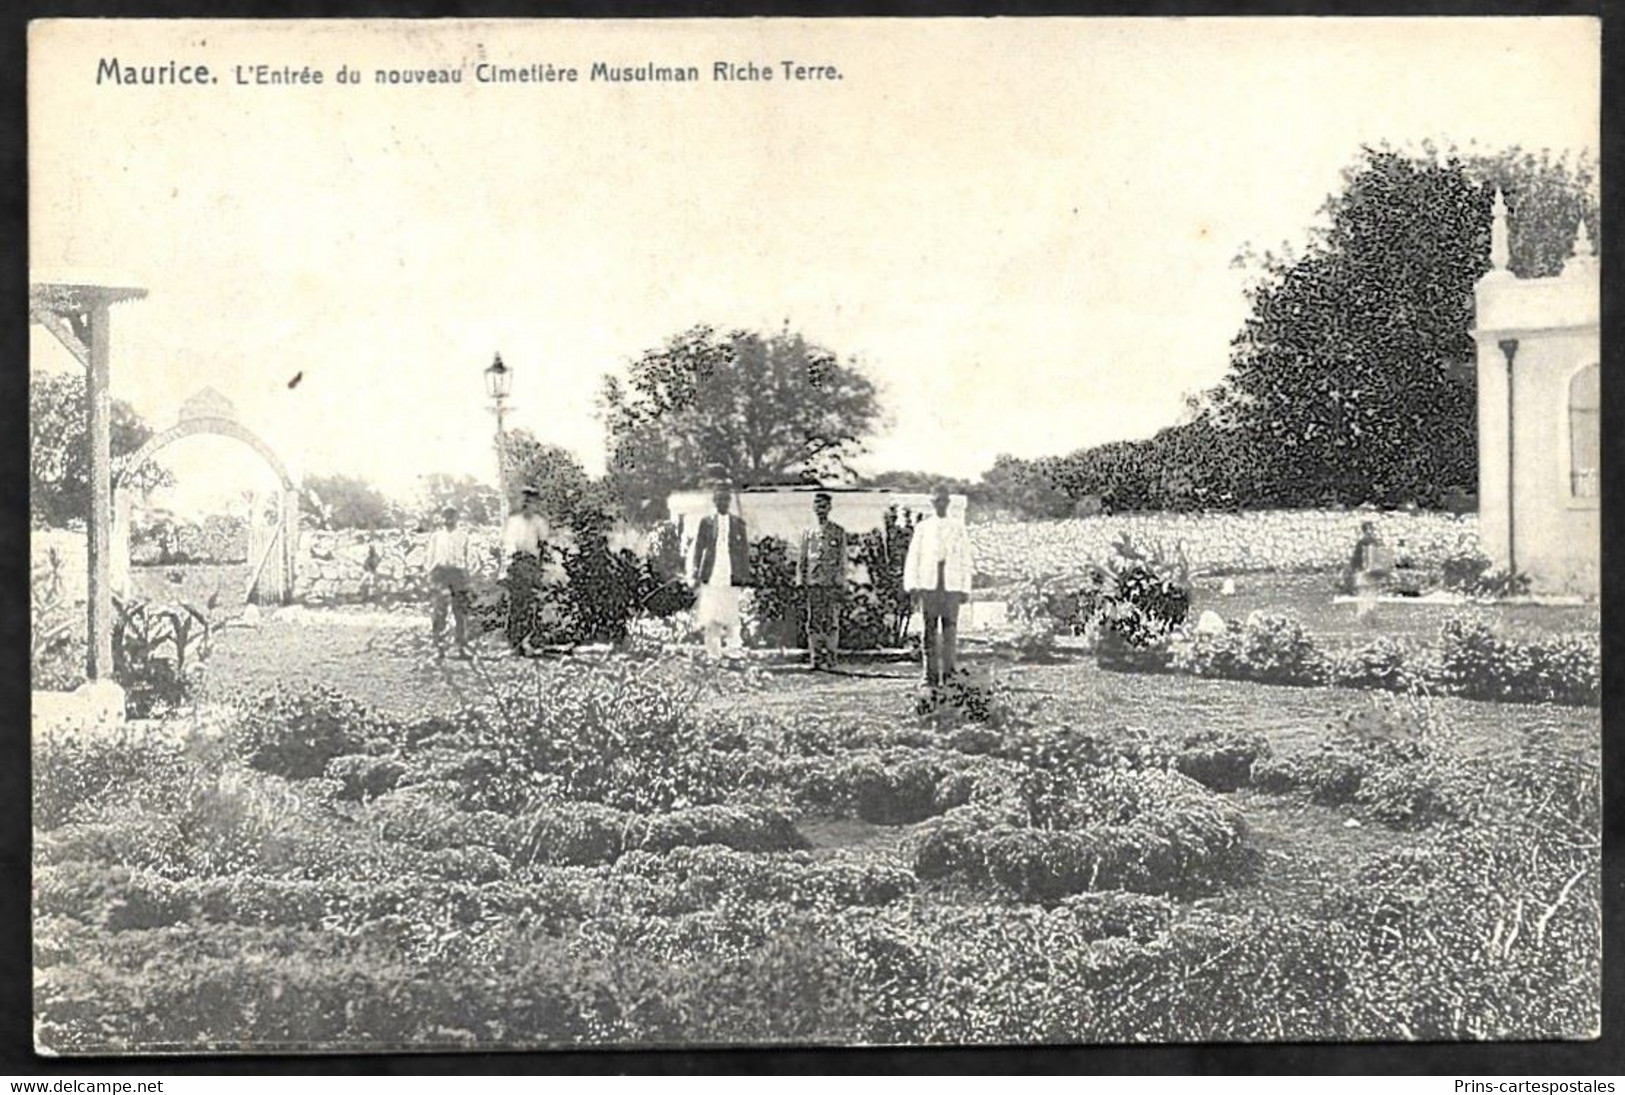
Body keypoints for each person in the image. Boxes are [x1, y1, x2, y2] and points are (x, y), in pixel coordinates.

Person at [903, 484, 975, 687]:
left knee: (950, 630)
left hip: (950, 585)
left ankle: (950, 674)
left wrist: (964, 587)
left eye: (943, 501)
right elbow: (914, 557)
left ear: (948, 503)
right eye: (936, 501)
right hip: (929, 585)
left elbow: (965, 559)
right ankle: (929, 675)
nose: (940, 505)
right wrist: (913, 585)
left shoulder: (957, 527)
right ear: (932, 503)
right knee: (929, 631)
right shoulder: (923, 528)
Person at [688, 483, 750, 662]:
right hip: (712, 572)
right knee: (711, 613)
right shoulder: (707, 522)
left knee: (732, 612)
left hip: (731, 572)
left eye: (726, 499)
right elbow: (699, 548)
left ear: (729, 501)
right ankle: (713, 653)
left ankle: (734, 649)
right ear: (714, 501)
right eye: (719, 499)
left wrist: (744, 575)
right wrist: (695, 570)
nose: (723, 502)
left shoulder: (738, 523)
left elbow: (744, 551)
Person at [797, 492, 848, 671]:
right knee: (814, 621)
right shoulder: (808, 533)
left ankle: (832, 658)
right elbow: (803, 559)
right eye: (817, 506)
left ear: (829, 508)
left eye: (824, 506)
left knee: (832, 621)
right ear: (813, 508)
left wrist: (840, 580)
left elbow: (842, 559)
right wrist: (800, 580)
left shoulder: (838, 532)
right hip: (813, 582)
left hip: (831, 582)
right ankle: (816, 658)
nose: (821, 510)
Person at [501, 487, 552, 654]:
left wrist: (541, 568)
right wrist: (505, 568)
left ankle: (527, 640)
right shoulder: (514, 521)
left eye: (531, 501)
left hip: (531, 563)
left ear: (535, 504)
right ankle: (514, 643)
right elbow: (507, 545)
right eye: (524, 500)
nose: (527, 504)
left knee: (530, 603)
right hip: (516, 563)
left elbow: (544, 546)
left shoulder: (539, 522)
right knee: (515, 603)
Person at [424, 505, 474, 660]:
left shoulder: (463, 536)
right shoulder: (436, 536)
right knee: (439, 611)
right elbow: (430, 558)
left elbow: (469, 558)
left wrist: (468, 576)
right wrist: (430, 576)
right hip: (441, 574)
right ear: (441, 519)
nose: (448, 520)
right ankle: (438, 647)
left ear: (457, 518)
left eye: (451, 517)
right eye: (445, 517)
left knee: (460, 612)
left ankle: (460, 647)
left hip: (458, 575)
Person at [1344, 520, 1392, 625]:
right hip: (1371, 572)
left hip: (1364, 571)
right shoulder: (1375, 543)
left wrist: (1354, 569)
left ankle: (1365, 617)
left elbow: (1356, 559)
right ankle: (1370, 617)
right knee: (1371, 594)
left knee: (1365, 594)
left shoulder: (1363, 543)